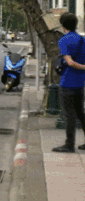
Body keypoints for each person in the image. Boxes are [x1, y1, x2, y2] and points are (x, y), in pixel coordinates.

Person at [53, 13, 85, 153]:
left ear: (63, 25)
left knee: (70, 115)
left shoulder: (64, 40)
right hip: (80, 83)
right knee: (81, 113)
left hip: (67, 83)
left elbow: (70, 62)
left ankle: (69, 144)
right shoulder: (82, 40)